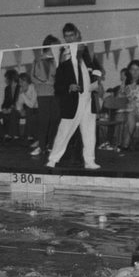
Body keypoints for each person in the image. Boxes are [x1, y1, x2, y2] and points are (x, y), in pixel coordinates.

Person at [45, 22, 101, 171]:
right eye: (66, 36)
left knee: (89, 132)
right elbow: (58, 86)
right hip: (73, 101)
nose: (69, 39)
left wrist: (96, 80)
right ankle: (53, 159)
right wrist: (69, 87)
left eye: (71, 35)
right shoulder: (62, 54)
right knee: (64, 131)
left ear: (77, 35)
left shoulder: (86, 51)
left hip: (88, 98)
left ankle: (90, 161)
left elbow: (97, 69)